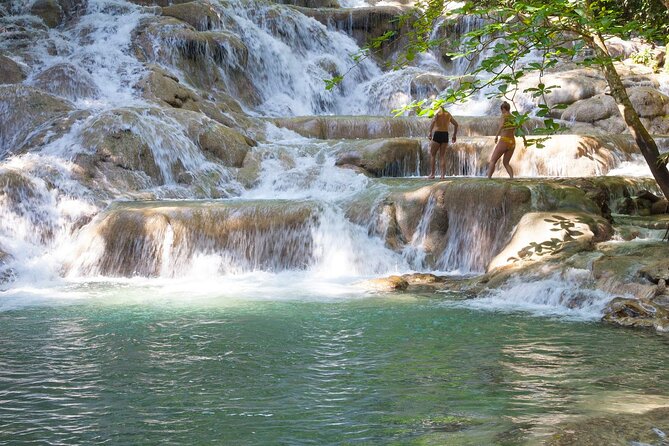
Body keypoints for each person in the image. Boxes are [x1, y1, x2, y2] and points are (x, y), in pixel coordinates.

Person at [487, 101, 516, 179]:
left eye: (501, 110)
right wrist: (524, 140)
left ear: (503, 109)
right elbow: (520, 128)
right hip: (512, 142)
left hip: (504, 140)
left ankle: (488, 178)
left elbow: (501, 125)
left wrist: (496, 136)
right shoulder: (514, 117)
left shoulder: (504, 116)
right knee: (506, 163)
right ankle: (512, 178)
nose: (501, 111)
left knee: (493, 160)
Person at [427, 106, 458, 179]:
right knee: (442, 156)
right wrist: (454, 135)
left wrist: (430, 132)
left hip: (437, 134)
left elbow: (433, 122)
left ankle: (432, 174)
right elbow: (456, 124)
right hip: (445, 135)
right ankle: (442, 176)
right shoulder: (448, 114)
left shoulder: (437, 114)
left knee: (433, 154)